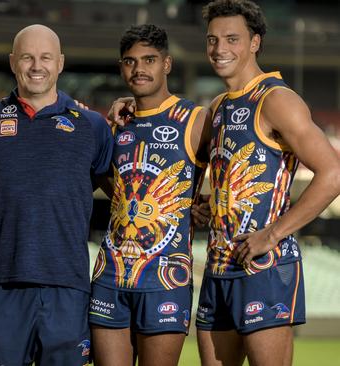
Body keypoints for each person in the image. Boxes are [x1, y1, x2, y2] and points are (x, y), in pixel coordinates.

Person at [0, 24, 114, 365]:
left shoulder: (92, 125)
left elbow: (120, 191)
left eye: (46, 57)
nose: (37, 66)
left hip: (67, 285)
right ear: (12, 62)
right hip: (0, 284)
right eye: (27, 57)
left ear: (61, 63)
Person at [196, 1, 340, 365]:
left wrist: (272, 234)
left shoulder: (277, 99)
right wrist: (206, 206)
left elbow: (333, 174)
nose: (219, 49)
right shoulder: (217, 107)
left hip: (266, 267)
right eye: (213, 39)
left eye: (232, 39)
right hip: (218, 266)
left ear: (255, 42)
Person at [88, 24, 210, 366]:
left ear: (167, 64)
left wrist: (206, 203)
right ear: (121, 67)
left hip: (166, 277)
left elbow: (234, 162)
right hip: (110, 272)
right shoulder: (114, 125)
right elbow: (109, 182)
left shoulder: (195, 119)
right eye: (130, 61)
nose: (139, 69)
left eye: (149, 60)